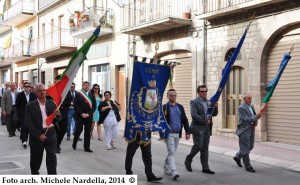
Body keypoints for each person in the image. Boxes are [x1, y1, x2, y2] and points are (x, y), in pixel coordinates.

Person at [25, 83, 61, 174]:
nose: (42, 92)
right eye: (40, 91)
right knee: (36, 159)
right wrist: (38, 135)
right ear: (35, 93)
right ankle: (35, 174)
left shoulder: (52, 103)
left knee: (52, 157)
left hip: (50, 132)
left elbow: (59, 118)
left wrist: (56, 115)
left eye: (44, 90)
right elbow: (29, 123)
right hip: (37, 135)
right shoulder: (30, 106)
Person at [184, 85, 218, 174]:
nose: (204, 93)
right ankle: (189, 159)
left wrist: (216, 107)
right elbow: (194, 115)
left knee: (205, 148)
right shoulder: (194, 102)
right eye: (202, 91)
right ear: (198, 92)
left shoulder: (209, 102)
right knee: (198, 146)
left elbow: (213, 114)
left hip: (207, 128)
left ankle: (205, 167)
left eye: (205, 91)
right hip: (198, 127)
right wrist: (205, 121)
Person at [162, 89, 191, 180]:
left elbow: (185, 120)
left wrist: (187, 132)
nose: (173, 96)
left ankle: (166, 168)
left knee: (172, 152)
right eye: (171, 95)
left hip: (177, 133)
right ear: (167, 96)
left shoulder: (180, 107)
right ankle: (174, 171)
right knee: (171, 152)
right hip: (169, 134)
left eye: (174, 95)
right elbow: (161, 121)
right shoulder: (164, 107)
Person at [233, 93, 261, 173]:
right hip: (244, 130)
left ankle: (237, 157)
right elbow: (246, 119)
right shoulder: (241, 108)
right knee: (245, 148)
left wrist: (255, 121)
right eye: (248, 98)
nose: (250, 100)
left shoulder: (251, 106)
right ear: (244, 99)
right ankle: (248, 166)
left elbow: (253, 116)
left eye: (251, 98)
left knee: (250, 146)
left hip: (251, 129)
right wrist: (256, 117)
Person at [72, 81, 96, 152]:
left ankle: (87, 147)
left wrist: (89, 114)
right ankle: (74, 143)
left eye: (88, 85)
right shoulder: (78, 94)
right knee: (79, 130)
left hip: (89, 116)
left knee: (87, 131)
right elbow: (75, 105)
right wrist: (81, 113)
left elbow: (94, 106)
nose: (86, 86)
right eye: (85, 85)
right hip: (80, 116)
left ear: (89, 87)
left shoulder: (92, 95)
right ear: (83, 86)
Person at [16, 82, 37, 148]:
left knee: (29, 127)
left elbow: (35, 104)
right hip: (23, 114)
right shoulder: (20, 95)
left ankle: (27, 139)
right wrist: (19, 113)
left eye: (29, 87)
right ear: (24, 88)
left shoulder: (33, 95)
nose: (27, 88)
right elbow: (17, 104)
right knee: (23, 127)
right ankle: (24, 141)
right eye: (26, 87)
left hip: (31, 114)